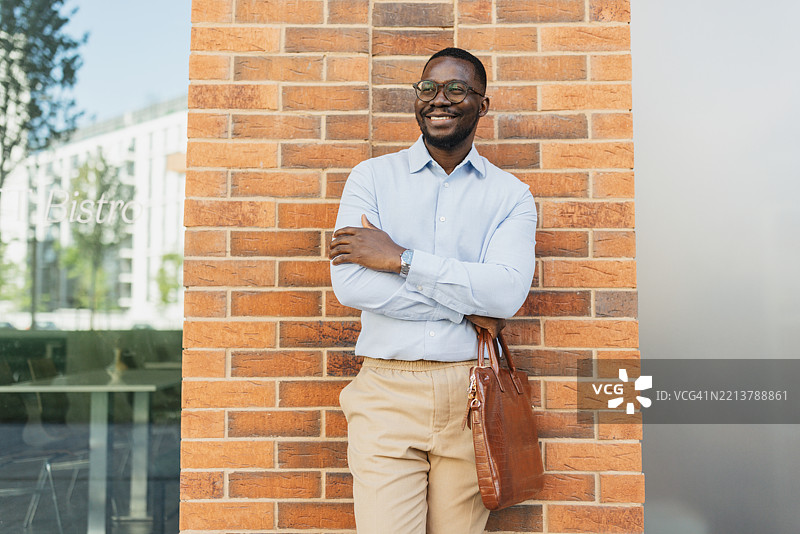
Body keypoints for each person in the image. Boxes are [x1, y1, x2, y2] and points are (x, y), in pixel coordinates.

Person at [329, 47, 537, 534]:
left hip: (472, 399)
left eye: (456, 89)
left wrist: (403, 261)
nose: (438, 99)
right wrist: (465, 306)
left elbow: (506, 294)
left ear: (483, 105)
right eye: (428, 88)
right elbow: (352, 282)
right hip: (385, 391)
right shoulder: (372, 179)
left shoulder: (510, 196)